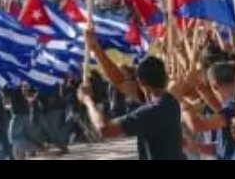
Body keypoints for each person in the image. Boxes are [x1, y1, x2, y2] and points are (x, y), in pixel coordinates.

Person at [79, 31, 185, 161]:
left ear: (141, 82)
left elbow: (105, 129)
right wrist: (96, 49)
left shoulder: (152, 111)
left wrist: (88, 101)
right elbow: (119, 81)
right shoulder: (169, 100)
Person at [180, 61, 235, 160]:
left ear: (215, 86)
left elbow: (197, 125)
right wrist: (192, 146)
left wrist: (181, 101)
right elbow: (221, 149)